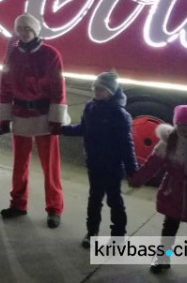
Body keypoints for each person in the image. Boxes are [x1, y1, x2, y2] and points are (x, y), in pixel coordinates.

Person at [130, 105, 187, 283]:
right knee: (169, 231)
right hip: (173, 195)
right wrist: (138, 178)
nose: (184, 127)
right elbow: (152, 164)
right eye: (180, 123)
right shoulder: (169, 142)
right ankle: (164, 258)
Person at [0, 12, 68, 228]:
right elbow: (5, 84)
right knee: (19, 164)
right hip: (20, 115)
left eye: (27, 28)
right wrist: (5, 116)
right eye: (19, 29)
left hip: (44, 116)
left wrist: (56, 118)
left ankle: (54, 208)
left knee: (50, 166)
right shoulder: (13, 54)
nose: (23, 33)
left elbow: (58, 86)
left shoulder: (50, 54)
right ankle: (18, 203)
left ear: (35, 30)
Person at [61, 71, 138, 247]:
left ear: (110, 91)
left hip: (112, 166)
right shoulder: (90, 107)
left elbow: (126, 144)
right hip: (94, 163)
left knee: (114, 199)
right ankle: (92, 232)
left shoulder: (120, 114)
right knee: (94, 198)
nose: (96, 91)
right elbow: (83, 129)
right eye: (95, 87)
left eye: (101, 89)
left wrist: (132, 169)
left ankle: (118, 236)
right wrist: (63, 130)